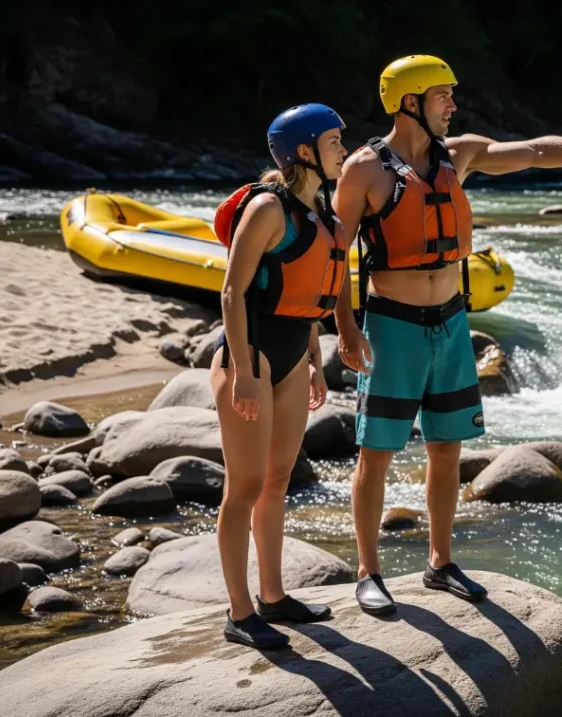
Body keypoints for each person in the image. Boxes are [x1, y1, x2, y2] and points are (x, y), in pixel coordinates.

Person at [331, 54, 562, 615]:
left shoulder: (457, 155)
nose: (453, 105)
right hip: (392, 327)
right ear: (410, 101)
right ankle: (369, 571)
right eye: (443, 95)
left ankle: (440, 563)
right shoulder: (365, 170)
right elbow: (333, 253)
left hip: (452, 324)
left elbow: (538, 151)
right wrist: (345, 327)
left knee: (446, 449)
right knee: (377, 453)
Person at [209, 103, 349, 648]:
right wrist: (242, 371)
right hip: (252, 356)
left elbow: (304, 294)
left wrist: (315, 359)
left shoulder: (323, 211)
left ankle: (273, 596)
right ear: (305, 151)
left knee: (276, 481)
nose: (344, 149)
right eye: (335, 141)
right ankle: (239, 613)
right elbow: (233, 292)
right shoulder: (269, 209)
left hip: (292, 356)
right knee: (242, 487)